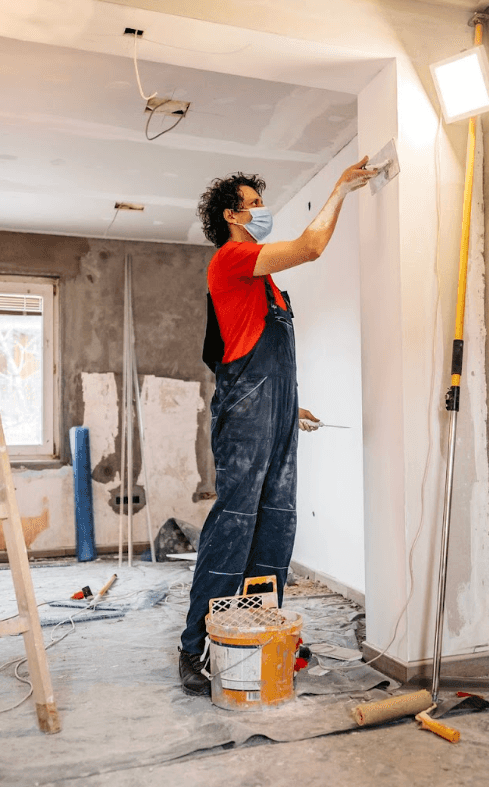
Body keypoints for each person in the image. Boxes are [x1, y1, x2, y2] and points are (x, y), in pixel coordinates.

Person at [179, 157, 376, 695]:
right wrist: (340, 189)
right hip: (245, 414)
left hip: (275, 411)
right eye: (255, 204)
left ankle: (261, 632)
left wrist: (292, 405)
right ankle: (196, 645)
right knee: (236, 522)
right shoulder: (233, 259)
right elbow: (311, 247)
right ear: (231, 214)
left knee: (275, 523)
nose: (263, 211)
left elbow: (264, 355)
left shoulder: (267, 286)